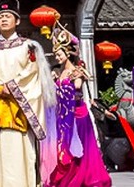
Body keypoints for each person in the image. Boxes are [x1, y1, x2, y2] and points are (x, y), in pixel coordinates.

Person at [0, 0, 56, 187]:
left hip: (21, 110)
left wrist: (11, 87)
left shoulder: (28, 47)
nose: (4, 19)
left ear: (17, 20)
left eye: (8, 16)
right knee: (0, 158)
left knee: (24, 155)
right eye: (0, 16)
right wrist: (1, 88)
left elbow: (32, 73)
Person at [46, 26, 111, 187]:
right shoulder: (58, 72)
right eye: (56, 55)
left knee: (81, 146)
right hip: (63, 115)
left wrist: (66, 82)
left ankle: (81, 175)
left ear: (67, 53)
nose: (57, 57)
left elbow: (76, 87)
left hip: (77, 114)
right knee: (65, 145)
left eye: (59, 54)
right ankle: (67, 174)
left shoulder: (77, 71)